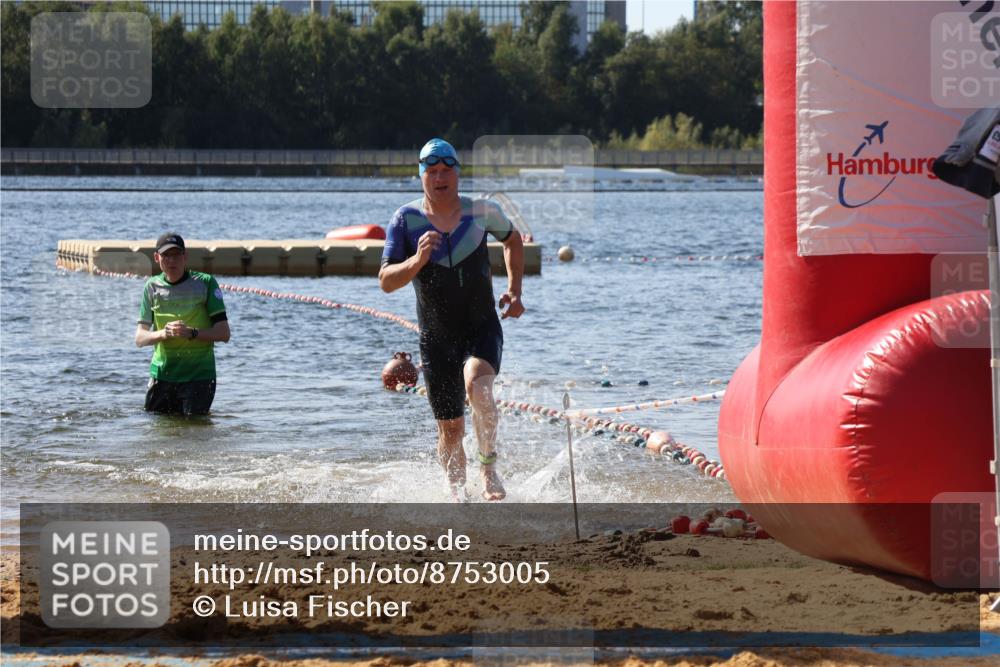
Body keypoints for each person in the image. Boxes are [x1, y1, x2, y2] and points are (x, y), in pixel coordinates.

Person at [379, 138, 525, 501]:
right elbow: (385, 281)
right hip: (436, 338)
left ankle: (488, 467)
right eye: (432, 172)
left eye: (447, 171)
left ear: (458, 174)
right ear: (421, 177)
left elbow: (514, 240)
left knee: (478, 385)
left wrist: (515, 290)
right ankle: (456, 490)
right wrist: (416, 260)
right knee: (451, 429)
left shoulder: (482, 212)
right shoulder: (406, 220)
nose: (440, 178)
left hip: (481, 327)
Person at [135, 232, 231, 415]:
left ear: (185, 256)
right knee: (157, 431)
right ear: (157, 258)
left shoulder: (205, 283)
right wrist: (163, 333)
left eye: (177, 255)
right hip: (162, 375)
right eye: (166, 255)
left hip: (199, 375)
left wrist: (192, 333)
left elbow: (224, 333)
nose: (172, 261)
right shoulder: (151, 286)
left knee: (194, 432)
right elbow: (140, 338)